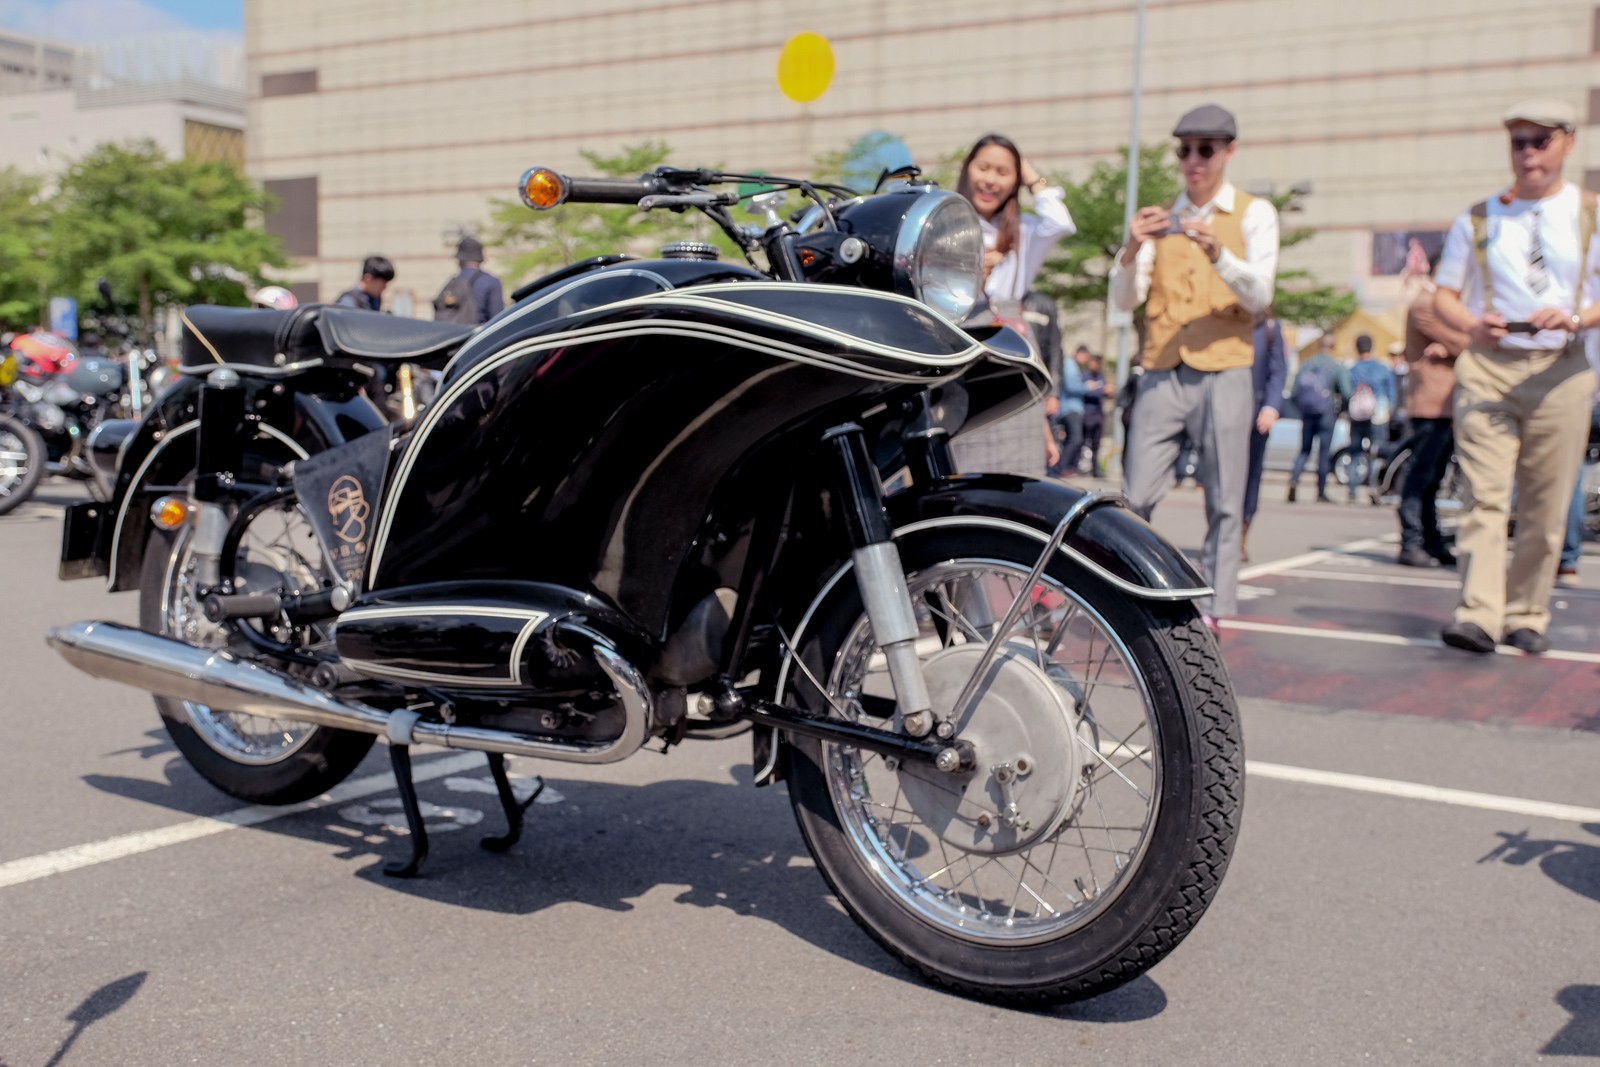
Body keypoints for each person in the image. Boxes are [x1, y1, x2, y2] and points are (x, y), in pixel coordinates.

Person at [1431, 99, 1600, 654]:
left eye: (1540, 140)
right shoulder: (1478, 217)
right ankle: (1478, 613)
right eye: (1519, 142)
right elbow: (1444, 297)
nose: (1528, 153)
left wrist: (1574, 316)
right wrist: (1474, 324)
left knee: (1547, 503)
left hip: (1562, 367)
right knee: (1484, 495)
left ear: (1568, 144)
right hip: (1490, 367)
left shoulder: (1590, 212)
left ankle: (1528, 612)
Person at [1111, 104, 1279, 627]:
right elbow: (1123, 301)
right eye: (1184, 149)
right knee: (1135, 493)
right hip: (1162, 366)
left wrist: (1220, 256)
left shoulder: (1254, 214)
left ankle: (1217, 610)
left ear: (1229, 151)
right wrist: (1131, 246)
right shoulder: (1159, 220)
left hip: (1227, 369)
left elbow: (1261, 295)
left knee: (1226, 498)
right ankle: (1134, 593)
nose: (1193, 160)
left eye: (1206, 149)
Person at [950, 134, 1076, 477]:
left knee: (1020, 473)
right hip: (958, 345)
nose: (990, 179)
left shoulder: (1024, 230)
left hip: (1011, 346)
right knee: (960, 464)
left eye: (1004, 172)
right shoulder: (943, 226)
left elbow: (1061, 221)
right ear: (967, 170)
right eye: (983, 167)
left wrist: (1032, 176)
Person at [1398, 277, 1470, 567]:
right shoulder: (1425, 303)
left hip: (1445, 406)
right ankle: (1411, 542)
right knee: (1419, 477)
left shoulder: (1440, 304)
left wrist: (1453, 347)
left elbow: (1458, 342)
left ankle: (1430, 540)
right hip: (1431, 405)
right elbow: (1468, 340)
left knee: (1433, 479)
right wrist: (1461, 344)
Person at [1241, 310, 1287, 560]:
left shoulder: (1268, 327)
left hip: (1256, 415)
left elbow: (1278, 370)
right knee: (1217, 476)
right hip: (1222, 413)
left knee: (1251, 475)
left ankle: (1241, 533)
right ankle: (1220, 533)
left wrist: (1271, 407)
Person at [1286, 332, 1350, 503]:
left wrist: (1302, 409)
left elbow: (1293, 392)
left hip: (1307, 414)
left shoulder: (1307, 364)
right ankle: (1320, 492)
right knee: (1323, 453)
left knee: (1304, 450)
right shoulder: (1336, 366)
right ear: (1333, 346)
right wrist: (1340, 409)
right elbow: (1347, 392)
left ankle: (1294, 479)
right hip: (1327, 414)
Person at [1346, 334, 1397, 500]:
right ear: (1372, 347)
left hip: (1357, 416)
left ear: (1357, 348)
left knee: (1355, 452)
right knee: (1377, 452)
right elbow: (1392, 396)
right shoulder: (1383, 369)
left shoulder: (1352, 370)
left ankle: (1352, 491)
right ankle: (1372, 486)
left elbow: (1346, 393)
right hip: (1378, 416)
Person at [434, 237, 504, 324]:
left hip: (453, 334)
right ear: (481, 259)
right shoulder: (491, 282)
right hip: (479, 334)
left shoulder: (454, 282)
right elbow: (497, 319)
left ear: (459, 260)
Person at [1052, 346, 1086, 477]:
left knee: (1071, 439)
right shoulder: (1070, 365)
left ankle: (1063, 467)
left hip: (1070, 409)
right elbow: (1072, 387)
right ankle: (1062, 468)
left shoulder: (1071, 365)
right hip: (1070, 409)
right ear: (1080, 353)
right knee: (1075, 439)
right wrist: (1088, 386)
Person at [1081, 353, 1111, 476]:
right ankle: (1080, 467)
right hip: (1088, 412)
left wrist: (1108, 392)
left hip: (1098, 413)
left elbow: (1104, 391)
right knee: (1083, 442)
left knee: (1096, 443)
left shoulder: (1101, 377)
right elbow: (1083, 391)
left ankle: (1095, 469)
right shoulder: (1084, 376)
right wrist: (1101, 390)